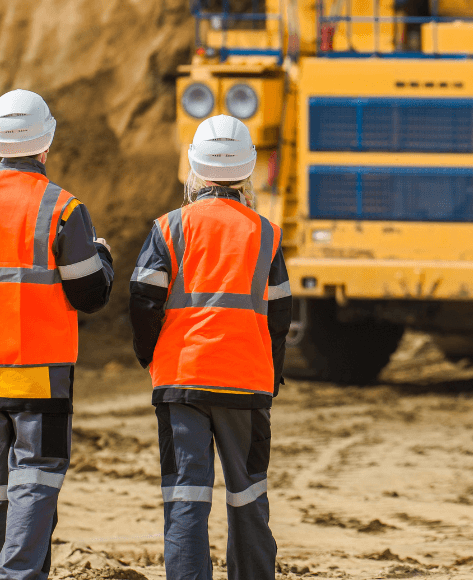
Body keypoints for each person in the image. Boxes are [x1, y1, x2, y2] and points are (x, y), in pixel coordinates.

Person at [0, 89, 114, 580]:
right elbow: (91, 293)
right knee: (35, 482)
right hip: (41, 372)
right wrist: (104, 256)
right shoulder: (62, 208)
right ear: (45, 144)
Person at [129, 114, 291, 580]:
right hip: (246, 382)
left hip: (182, 380)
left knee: (186, 495)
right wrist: (271, 372)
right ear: (246, 173)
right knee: (247, 495)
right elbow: (280, 313)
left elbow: (143, 299)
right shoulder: (265, 233)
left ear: (194, 169)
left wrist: (149, 354)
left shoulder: (170, 227)